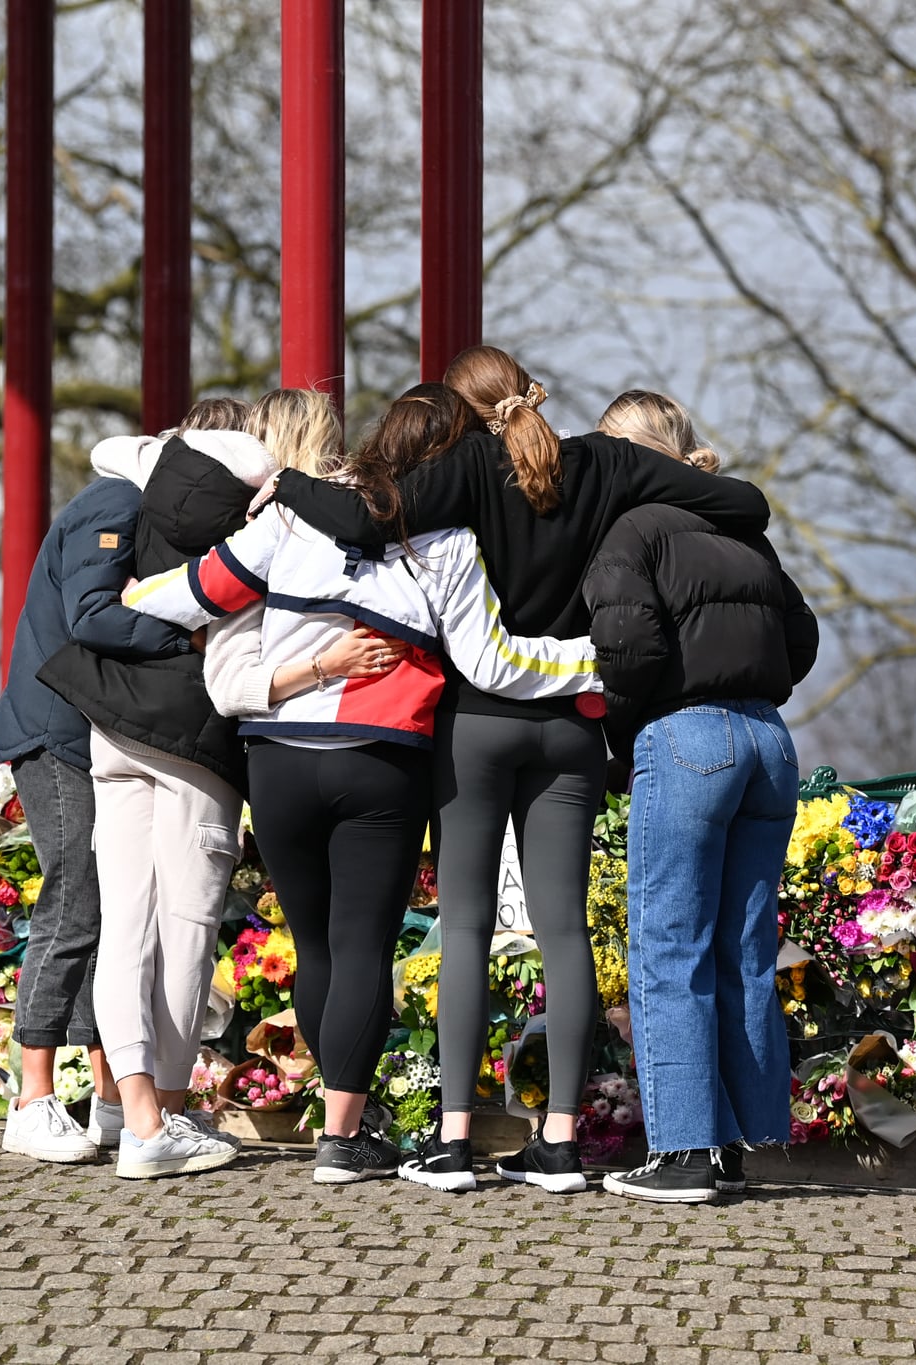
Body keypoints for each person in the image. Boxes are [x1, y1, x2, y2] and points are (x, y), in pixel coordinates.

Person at [268, 347, 773, 1196]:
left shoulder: (465, 467)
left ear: (467, 416)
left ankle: (455, 1140)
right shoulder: (609, 462)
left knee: (464, 925)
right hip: (572, 728)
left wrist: (283, 482)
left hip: (478, 725)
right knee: (564, 929)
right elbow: (746, 505)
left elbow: (357, 523)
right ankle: (561, 1143)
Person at [124, 384, 603, 1186]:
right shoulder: (446, 535)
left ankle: (339, 1114)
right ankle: (343, 1133)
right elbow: (483, 660)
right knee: (361, 947)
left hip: (278, 755)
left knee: (314, 945)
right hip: (382, 758)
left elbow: (192, 595)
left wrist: (119, 601)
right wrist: (594, 661)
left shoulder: (286, 515)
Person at [38, 395, 366, 1179]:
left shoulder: (143, 491)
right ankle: (164, 1118)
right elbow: (230, 646)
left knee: (126, 923)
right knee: (185, 929)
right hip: (193, 740)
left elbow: (116, 603)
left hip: (111, 722)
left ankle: (129, 1103)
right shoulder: (261, 517)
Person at [579, 391, 816, 1202]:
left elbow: (628, 644)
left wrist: (622, 726)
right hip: (768, 740)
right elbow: (802, 636)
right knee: (744, 950)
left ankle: (683, 1150)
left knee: (668, 944)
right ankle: (739, 1140)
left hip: (686, 737)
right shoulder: (742, 530)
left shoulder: (629, 530)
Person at [0, 421, 194, 1164]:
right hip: (57, 734)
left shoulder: (125, 506)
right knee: (73, 899)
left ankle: (107, 1097)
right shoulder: (113, 504)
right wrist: (189, 637)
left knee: (102, 909)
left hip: (81, 734)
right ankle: (31, 1097)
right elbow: (93, 616)